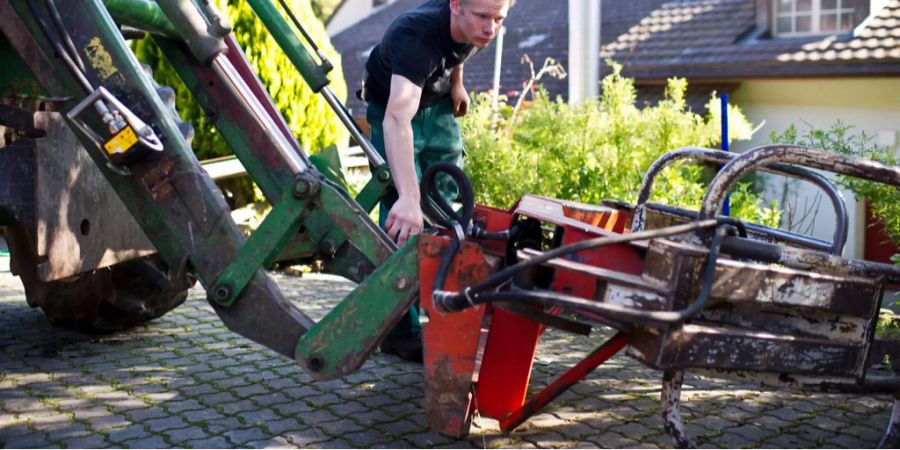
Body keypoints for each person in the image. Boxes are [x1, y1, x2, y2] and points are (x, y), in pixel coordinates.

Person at [363, 0, 512, 362]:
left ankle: (444, 304)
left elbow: (458, 46)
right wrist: (409, 196)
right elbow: (397, 120)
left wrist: (457, 84)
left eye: (499, 19)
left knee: (447, 206)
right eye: (483, 17)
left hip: (438, 100)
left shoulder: (477, 23)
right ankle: (399, 331)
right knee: (401, 213)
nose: (490, 29)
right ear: (456, 6)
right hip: (394, 110)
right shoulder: (415, 35)